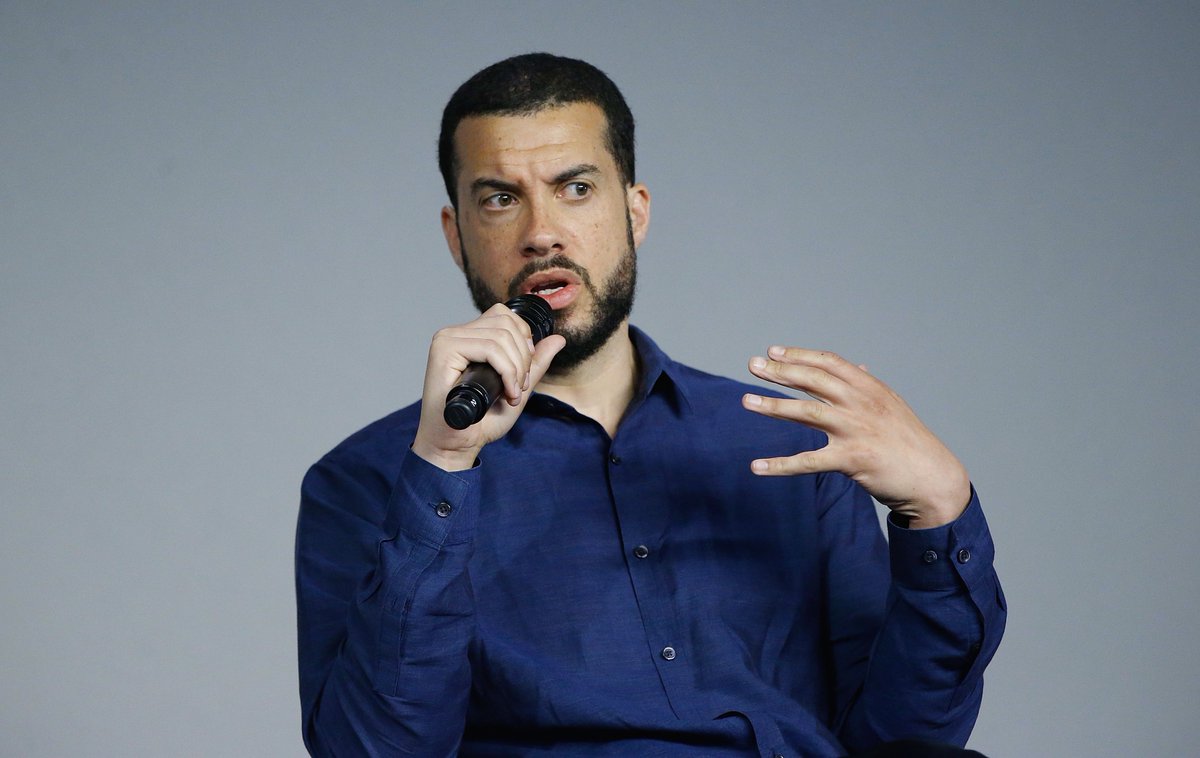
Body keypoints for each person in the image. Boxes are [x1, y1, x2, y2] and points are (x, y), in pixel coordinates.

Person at [295, 53, 1005, 757]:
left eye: (575, 188)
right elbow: (374, 751)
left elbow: (903, 740)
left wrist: (939, 509)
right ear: (457, 237)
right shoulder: (371, 479)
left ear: (634, 213)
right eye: (501, 199)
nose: (541, 232)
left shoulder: (791, 443)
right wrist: (444, 465)